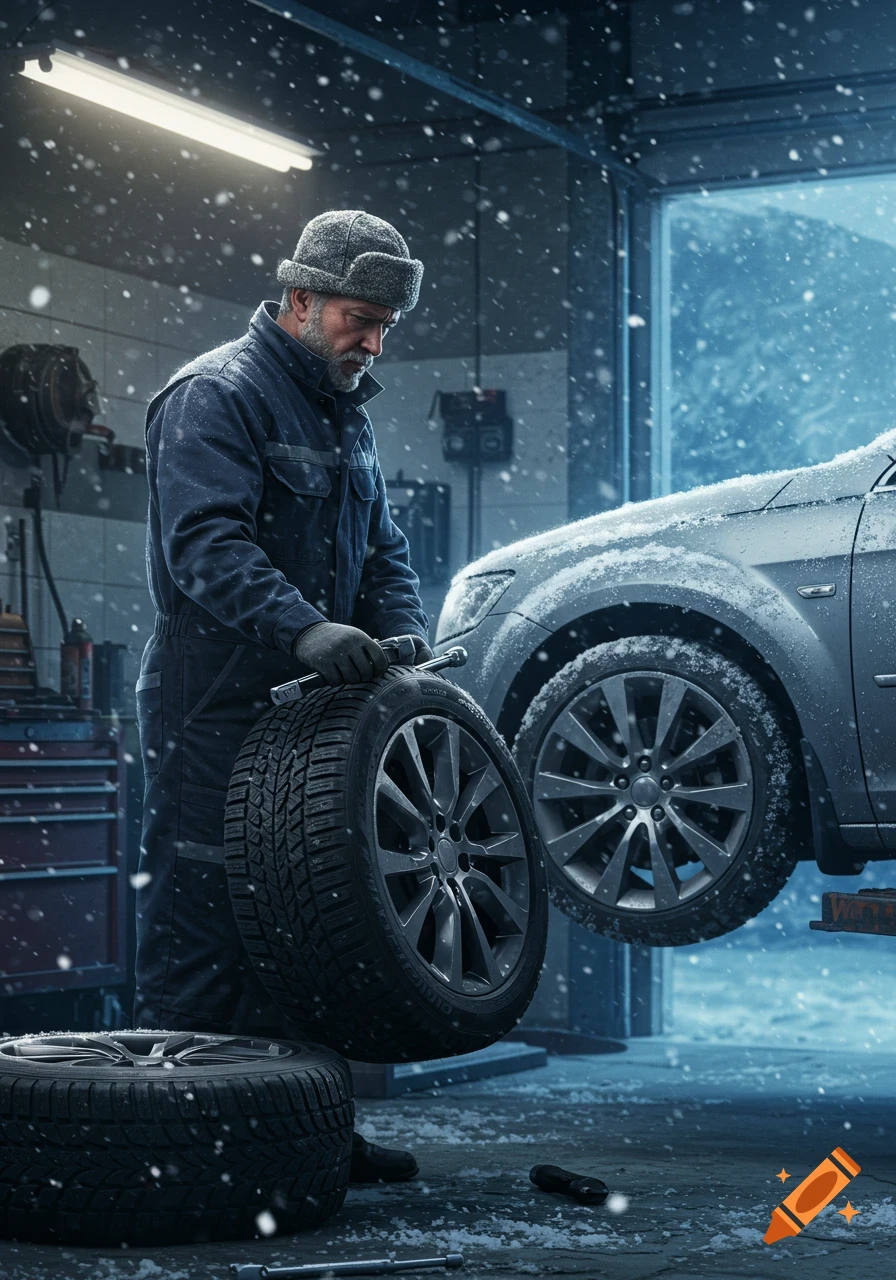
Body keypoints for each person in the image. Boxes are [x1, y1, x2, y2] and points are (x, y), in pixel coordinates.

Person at [133, 210, 432, 1182]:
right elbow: (207, 545)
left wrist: (398, 640)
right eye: (358, 316)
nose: (373, 341)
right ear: (298, 297)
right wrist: (305, 625)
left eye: (385, 323)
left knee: (309, 926)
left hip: (315, 719)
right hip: (213, 710)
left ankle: (307, 1139)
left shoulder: (349, 415)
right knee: (206, 929)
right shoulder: (216, 395)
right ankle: (181, 1150)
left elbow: (381, 549)